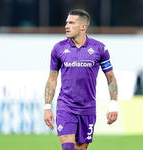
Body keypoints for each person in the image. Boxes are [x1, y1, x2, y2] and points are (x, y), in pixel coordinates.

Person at [44, 9, 118, 150]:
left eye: (71, 23)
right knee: (68, 148)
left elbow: (111, 78)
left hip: (88, 108)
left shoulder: (99, 48)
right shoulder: (58, 49)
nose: (66, 26)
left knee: (81, 148)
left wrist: (113, 105)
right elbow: (52, 80)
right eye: (66, 23)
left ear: (83, 27)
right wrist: (47, 107)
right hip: (65, 107)